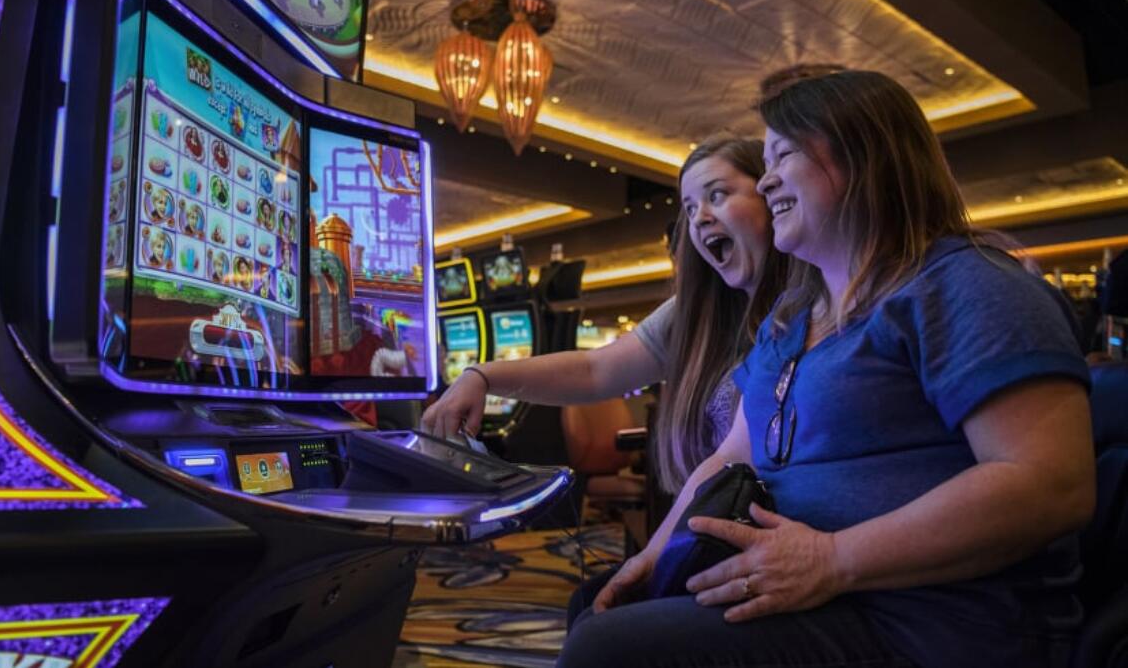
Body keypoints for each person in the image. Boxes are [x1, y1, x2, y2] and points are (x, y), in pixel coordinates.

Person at [560, 70, 1095, 668]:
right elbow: (730, 458)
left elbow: (1052, 484)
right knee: (600, 604)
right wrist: (656, 557)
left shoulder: (966, 285)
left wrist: (831, 559)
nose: (766, 180)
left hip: (926, 618)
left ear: (863, 154)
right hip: (815, 595)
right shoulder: (791, 319)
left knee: (612, 648)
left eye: (783, 154)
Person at [423, 135, 792, 494]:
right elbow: (595, 371)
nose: (700, 219)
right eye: (690, 208)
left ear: (772, 195)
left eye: (717, 195)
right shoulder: (697, 312)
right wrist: (481, 375)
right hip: (719, 517)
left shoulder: (818, 304)